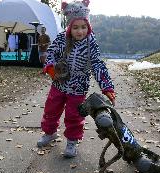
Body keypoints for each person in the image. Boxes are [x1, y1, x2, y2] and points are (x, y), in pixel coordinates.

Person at [37, 0, 116, 158]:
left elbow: (98, 65)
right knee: (51, 108)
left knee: (74, 114)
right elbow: (51, 52)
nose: (80, 31)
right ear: (69, 27)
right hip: (60, 81)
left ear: (88, 26)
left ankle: (72, 141)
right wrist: (51, 66)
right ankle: (50, 132)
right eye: (75, 27)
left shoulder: (91, 43)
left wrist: (107, 87)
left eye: (83, 27)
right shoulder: (62, 38)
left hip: (78, 86)